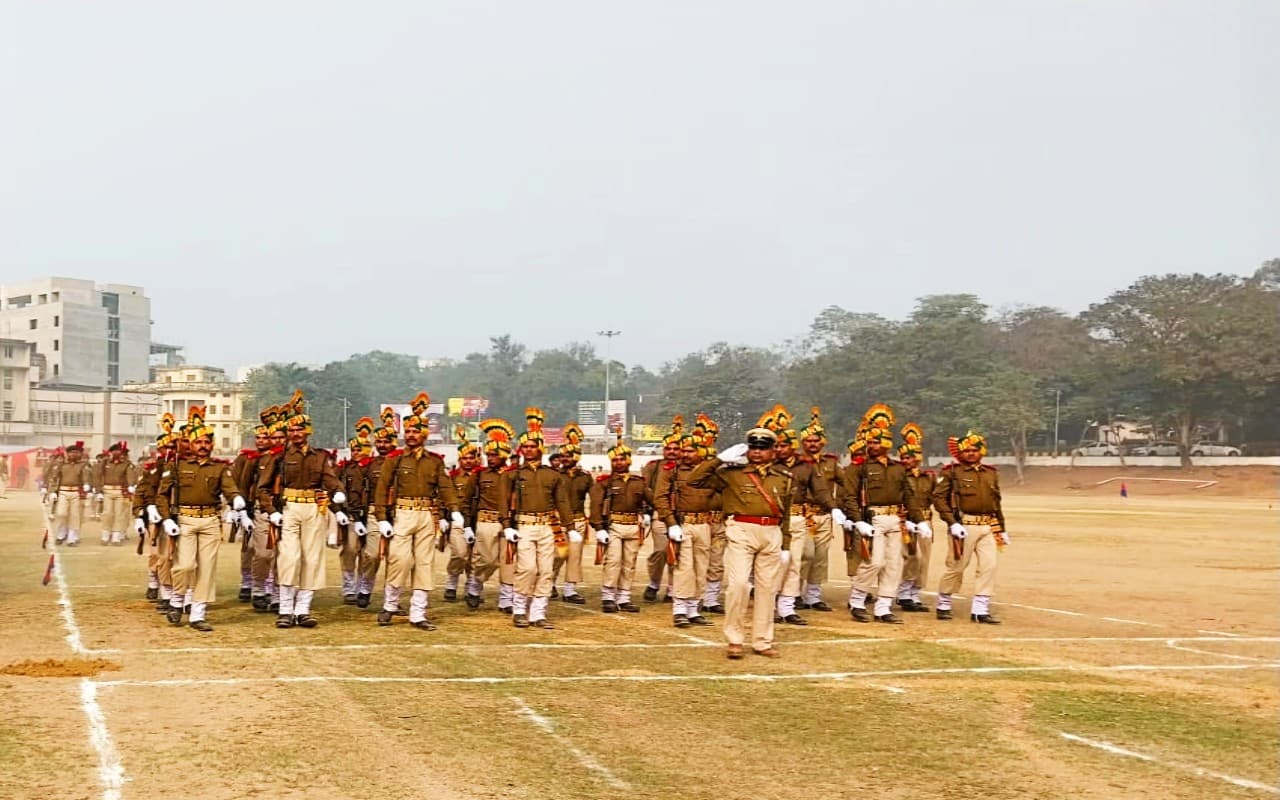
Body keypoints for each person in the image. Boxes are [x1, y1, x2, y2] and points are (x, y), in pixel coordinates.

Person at [688, 425, 793, 659]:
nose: (757, 452)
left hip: (772, 531)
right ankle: (735, 639)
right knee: (738, 585)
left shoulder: (783, 477)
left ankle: (762, 640)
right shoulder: (731, 473)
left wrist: (785, 544)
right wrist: (717, 460)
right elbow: (694, 480)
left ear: (773, 451)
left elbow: (786, 513)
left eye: (762, 448)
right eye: (753, 447)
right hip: (741, 529)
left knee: (767, 589)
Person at [255, 390, 348, 629]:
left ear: (308, 431)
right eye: (292, 431)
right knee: (289, 558)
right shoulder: (280, 458)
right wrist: (271, 510)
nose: (296, 434)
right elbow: (262, 488)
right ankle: (285, 609)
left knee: (312, 559)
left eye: (300, 430)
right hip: (289, 509)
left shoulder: (319, 456)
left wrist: (338, 492)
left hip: (314, 510)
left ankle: (303, 609)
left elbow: (330, 479)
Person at [372, 393, 463, 630]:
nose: (411, 435)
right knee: (399, 560)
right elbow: (383, 489)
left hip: (426, 515)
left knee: (424, 563)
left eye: (415, 432)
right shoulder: (394, 460)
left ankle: (418, 613)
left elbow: (445, 487)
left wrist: (453, 510)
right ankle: (390, 605)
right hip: (402, 512)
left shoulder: (434, 461)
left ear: (424, 434)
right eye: (408, 432)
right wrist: (382, 518)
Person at [155, 406, 245, 631]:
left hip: (210, 521)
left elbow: (229, 489)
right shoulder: (177, 466)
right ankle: (177, 599)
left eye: (207, 442)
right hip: (185, 519)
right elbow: (162, 495)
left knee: (206, 569)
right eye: (198, 442)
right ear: (191, 444)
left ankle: (197, 613)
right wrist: (166, 519)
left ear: (212, 445)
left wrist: (236, 501)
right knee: (184, 566)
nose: (203, 446)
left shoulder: (220, 468)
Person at [837, 404, 924, 625]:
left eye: (876, 442)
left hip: (895, 519)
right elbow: (849, 496)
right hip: (871, 518)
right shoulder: (859, 468)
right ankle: (857, 601)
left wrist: (920, 521)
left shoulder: (898, 468)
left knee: (893, 564)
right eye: (870, 442)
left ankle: (883, 607)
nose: (872, 446)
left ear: (886, 443)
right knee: (874, 562)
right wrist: (857, 521)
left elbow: (908, 495)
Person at [766, 406, 846, 626]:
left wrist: (834, 507)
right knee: (773, 563)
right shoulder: (768, 466)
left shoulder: (806, 467)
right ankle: (769, 604)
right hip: (775, 521)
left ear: (792, 446)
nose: (780, 449)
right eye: (777, 445)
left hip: (800, 519)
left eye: (784, 445)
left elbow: (822, 490)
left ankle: (787, 607)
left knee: (796, 562)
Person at [506, 408, 574, 629]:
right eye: (525, 446)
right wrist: (507, 525)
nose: (528, 450)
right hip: (524, 525)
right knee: (527, 569)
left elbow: (562, 502)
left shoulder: (552, 475)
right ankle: (518, 610)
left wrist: (569, 527)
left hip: (547, 526)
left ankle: (538, 613)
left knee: (546, 570)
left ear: (540, 449)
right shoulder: (514, 474)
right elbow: (504, 502)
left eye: (533, 446)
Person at [932, 430, 1009, 624]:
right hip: (964, 525)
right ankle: (944, 603)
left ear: (981, 451)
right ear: (960, 453)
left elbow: (996, 502)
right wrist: (952, 522)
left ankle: (980, 609)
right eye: (967, 450)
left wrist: (1002, 528)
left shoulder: (991, 473)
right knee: (957, 567)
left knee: (989, 567)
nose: (971, 453)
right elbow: (938, 498)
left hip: (988, 525)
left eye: (975, 450)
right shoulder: (952, 472)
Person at [652, 413, 720, 628]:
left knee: (702, 567)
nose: (686, 454)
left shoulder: (710, 472)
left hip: (704, 524)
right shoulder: (671, 471)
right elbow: (660, 497)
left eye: (691, 450)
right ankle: (679, 609)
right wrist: (671, 523)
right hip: (683, 524)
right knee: (684, 568)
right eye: (684, 450)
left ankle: (693, 609)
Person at [590, 428, 651, 613]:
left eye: (622, 459)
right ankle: (608, 597)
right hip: (614, 526)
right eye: (615, 460)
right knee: (613, 561)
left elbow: (652, 500)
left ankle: (624, 597)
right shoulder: (604, 483)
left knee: (629, 563)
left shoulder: (638, 482)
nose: (618, 463)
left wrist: (648, 514)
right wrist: (599, 527)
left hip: (633, 525)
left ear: (628, 460)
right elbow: (595, 506)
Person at [464, 419, 515, 611]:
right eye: (488, 454)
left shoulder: (514, 474)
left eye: (494, 455)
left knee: (509, 561)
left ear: (503, 455)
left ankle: (506, 600)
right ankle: (475, 585)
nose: (490, 458)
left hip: (509, 523)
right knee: (487, 560)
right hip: (487, 521)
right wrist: (468, 525)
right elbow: (467, 501)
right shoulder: (479, 475)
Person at [796, 407, 843, 612]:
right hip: (803, 514)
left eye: (816, 441)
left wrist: (839, 507)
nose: (812, 444)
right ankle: (794, 593)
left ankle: (813, 596)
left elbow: (845, 484)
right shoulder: (797, 463)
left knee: (821, 557)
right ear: (802, 443)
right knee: (804, 555)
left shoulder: (831, 463)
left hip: (824, 515)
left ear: (822, 442)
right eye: (808, 441)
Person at [641, 417, 683, 602]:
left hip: (683, 516)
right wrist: (647, 511)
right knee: (661, 551)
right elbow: (645, 489)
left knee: (679, 553)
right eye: (669, 449)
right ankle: (654, 582)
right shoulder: (653, 467)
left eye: (676, 449)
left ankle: (672, 589)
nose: (672, 452)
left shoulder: (688, 468)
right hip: (660, 515)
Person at [895, 423, 936, 612]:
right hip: (905, 522)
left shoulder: (929, 477)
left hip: (925, 521)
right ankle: (903, 592)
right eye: (903, 457)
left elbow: (937, 497)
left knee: (924, 559)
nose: (906, 461)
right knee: (912, 557)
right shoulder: (897, 477)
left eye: (909, 457)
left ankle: (914, 593)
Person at [550, 422, 592, 603]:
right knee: (557, 554)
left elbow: (596, 496)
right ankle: (548, 583)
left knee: (575, 555)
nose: (564, 459)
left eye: (568, 455)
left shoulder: (586, 477)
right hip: (557, 520)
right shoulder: (554, 475)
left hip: (579, 520)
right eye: (562, 456)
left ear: (577, 456)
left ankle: (570, 589)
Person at [338, 419, 375, 604]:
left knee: (368, 554)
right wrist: (339, 511)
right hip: (351, 516)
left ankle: (363, 587)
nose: (355, 453)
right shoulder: (345, 469)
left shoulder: (375, 467)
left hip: (371, 516)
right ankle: (348, 587)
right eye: (353, 450)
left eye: (359, 450)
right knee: (350, 550)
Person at [442, 425, 480, 603]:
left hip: (478, 521)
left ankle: (471, 589)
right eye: (464, 458)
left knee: (475, 558)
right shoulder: (453, 477)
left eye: (471, 458)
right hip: (457, 521)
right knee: (460, 553)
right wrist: (443, 517)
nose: (468, 461)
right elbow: (445, 497)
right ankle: (451, 582)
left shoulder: (481, 476)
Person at [93, 441, 138, 546]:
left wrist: (131, 485)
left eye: (118, 450)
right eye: (114, 450)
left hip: (120, 491)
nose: (117, 452)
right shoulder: (105, 462)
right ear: (111, 452)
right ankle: (105, 535)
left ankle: (116, 537)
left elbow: (130, 475)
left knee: (119, 515)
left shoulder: (126, 463)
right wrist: (98, 490)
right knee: (107, 513)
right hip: (107, 490)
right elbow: (98, 475)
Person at [49, 440, 92, 546]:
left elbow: (85, 476)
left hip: (76, 493)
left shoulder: (82, 465)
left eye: (76, 452)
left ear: (80, 454)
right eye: (71, 452)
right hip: (63, 492)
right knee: (61, 514)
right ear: (67, 453)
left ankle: (71, 539)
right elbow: (55, 478)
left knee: (74, 516)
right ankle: (60, 534)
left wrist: (87, 485)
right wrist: (53, 491)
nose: (74, 454)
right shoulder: (61, 464)